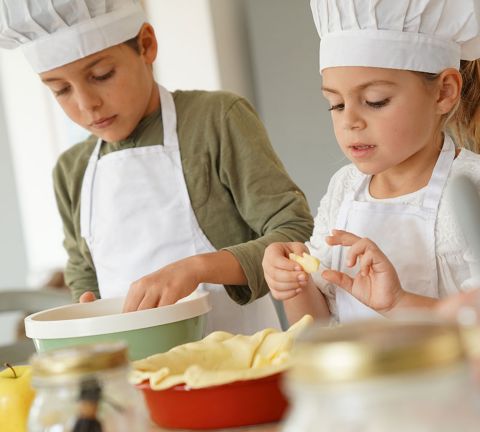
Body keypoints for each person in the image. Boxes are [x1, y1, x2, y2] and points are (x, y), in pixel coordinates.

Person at [0, 0, 313, 335]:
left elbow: (294, 232)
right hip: (133, 370)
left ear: (146, 45)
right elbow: (82, 270)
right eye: (61, 90)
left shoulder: (216, 119)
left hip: (239, 357)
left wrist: (198, 268)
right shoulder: (71, 170)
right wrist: (87, 306)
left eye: (101, 75)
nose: (85, 104)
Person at [262, 0, 480, 324]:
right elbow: (318, 330)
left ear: (443, 93)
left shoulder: (470, 187)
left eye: (375, 101)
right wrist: (294, 282)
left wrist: (398, 303)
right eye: (335, 105)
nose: (350, 121)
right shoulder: (344, 188)